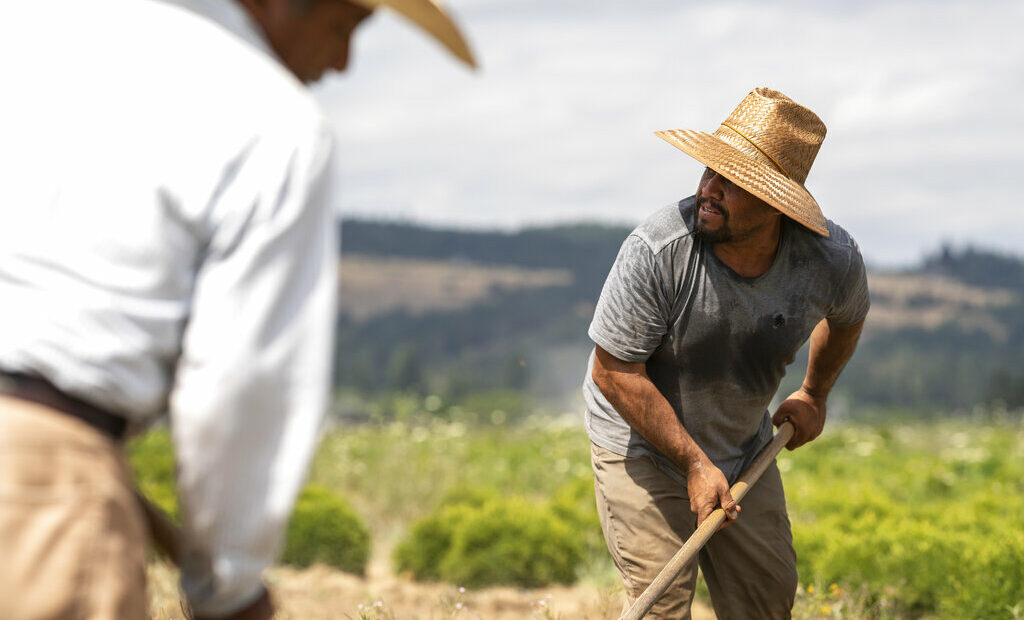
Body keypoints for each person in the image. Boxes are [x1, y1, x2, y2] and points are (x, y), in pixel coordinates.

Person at [0, 0, 473, 618]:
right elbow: (238, 385)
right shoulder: (274, 120)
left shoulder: (31, 27)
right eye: (343, 28)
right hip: (38, 487)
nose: (342, 63)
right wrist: (228, 586)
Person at [583, 87, 869, 619]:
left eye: (734, 183)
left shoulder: (829, 261)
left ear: (778, 204)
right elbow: (614, 371)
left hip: (741, 447)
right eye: (711, 171)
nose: (710, 190)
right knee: (661, 608)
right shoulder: (659, 250)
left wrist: (814, 393)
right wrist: (693, 463)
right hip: (641, 449)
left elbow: (848, 316)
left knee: (765, 604)